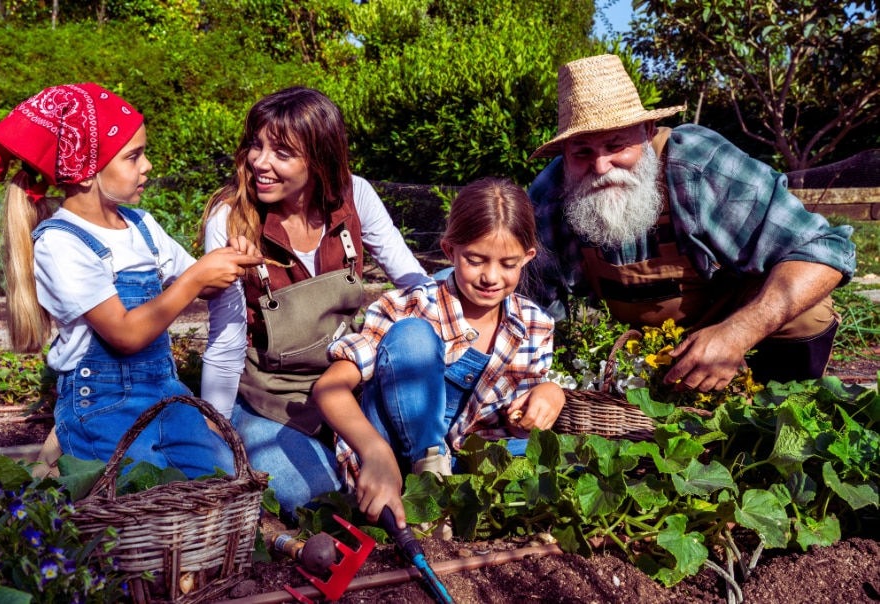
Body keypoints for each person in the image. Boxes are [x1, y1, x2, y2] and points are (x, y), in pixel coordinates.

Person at [526, 54, 856, 391]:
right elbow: (530, 303)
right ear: (564, 152)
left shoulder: (699, 166)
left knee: (806, 313)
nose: (601, 167)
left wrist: (738, 333)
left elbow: (825, 249)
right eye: (581, 152)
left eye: (616, 145)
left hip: (735, 325)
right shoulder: (551, 196)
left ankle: (777, 410)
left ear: (647, 131)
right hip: (640, 349)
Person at [0, 83, 259, 478]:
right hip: (103, 406)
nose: (146, 165)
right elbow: (124, 334)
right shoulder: (61, 244)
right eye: (133, 157)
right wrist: (199, 275)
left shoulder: (142, 225)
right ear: (84, 172)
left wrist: (227, 260)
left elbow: (203, 284)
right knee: (135, 498)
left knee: (217, 481)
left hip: (166, 392)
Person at [199, 86, 430, 519]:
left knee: (396, 471)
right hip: (276, 402)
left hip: (349, 387)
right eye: (256, 145)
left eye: (281, 153)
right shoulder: (230, 220)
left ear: (320, 159)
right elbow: (227, 342)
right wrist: (215, 429)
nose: (259, 163)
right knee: (323, 501)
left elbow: (414, 282)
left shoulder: (354, 196)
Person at [312, 177, 566, 534]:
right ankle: (430, 474)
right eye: (475, 260)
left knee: (567, 463)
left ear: (527, 258)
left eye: (508, 264)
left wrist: (547, 396)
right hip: (388, 462)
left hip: (464, 462)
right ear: (450, 251)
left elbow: (514, 424)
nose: (491, 277)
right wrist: (375, 453)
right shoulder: (411, 306)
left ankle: (446, 501)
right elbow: (330, 387)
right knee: (414, 336)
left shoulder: (534, 325)